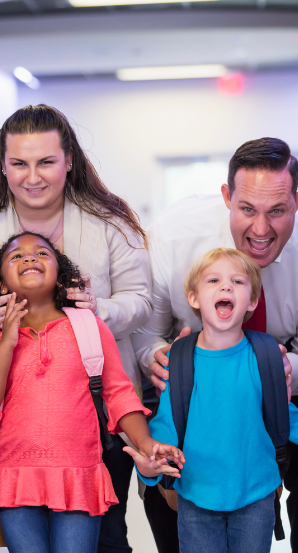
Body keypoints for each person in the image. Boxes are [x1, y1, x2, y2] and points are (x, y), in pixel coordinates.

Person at [0, 105, 151, 552]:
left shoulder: (109, 220)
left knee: (108, 539)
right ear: (2, 163)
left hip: (93, 424)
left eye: (46, 162)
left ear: (69, 159)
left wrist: (97, 314)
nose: (32, 177)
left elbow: (141, 301)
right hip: (15, 435)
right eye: (19, 163)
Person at [0, 233, 181, 553]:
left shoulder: (90, 328)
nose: (29, 258)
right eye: (16, 257)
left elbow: (120, 395)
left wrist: (147, 444)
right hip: (16, 480)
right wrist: (7, 340)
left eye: (41, 253)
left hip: (79, 476)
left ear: (60, 275)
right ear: (1, 284)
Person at [131, 137, 298, 553]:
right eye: (247, 210)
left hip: (279, 389)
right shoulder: (173, 237)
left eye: (277, 210)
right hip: (190, 393)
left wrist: (286, 368)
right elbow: (144, 334)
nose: (261, 230)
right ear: (227, 197)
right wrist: (161, 360)